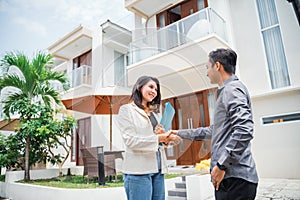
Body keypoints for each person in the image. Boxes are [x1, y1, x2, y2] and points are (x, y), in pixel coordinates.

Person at [171, 48, 259, 199]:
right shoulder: (227, 91)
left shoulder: (232, 89)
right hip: (231, 179)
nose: (206, 72)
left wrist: (221, 165)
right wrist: (178, 133)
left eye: (207, 67)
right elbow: (212, 131)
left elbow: (244, 130)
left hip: (235, 180)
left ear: (217, 66)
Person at [117, 76, 180, 200]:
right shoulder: (126, 110)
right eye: (151, 87)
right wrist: (158, 138)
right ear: (139, 86)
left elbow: (155, 140)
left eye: (156, 89)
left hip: (158, 169)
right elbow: (131, 140)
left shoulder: (154, 114)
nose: (154, 91)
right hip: (138, 172)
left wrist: (165, 137)